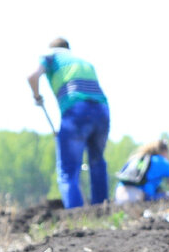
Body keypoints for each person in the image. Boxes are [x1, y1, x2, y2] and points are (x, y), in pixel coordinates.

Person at [27, 38, 111, 209]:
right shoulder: (83, 61)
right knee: (97, 162)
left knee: (68, 169)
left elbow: (32, 76)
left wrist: (37, 96)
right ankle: (102, 209)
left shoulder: (51, 56)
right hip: (102, 110)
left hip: (76, 111)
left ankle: (76, 214)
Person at [114, 139, 169, 203]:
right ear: (165, 151)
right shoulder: (164, 162)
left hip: (119, 195)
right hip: (138, 197)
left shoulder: (136, 158)